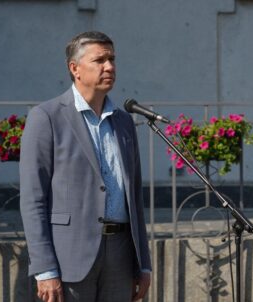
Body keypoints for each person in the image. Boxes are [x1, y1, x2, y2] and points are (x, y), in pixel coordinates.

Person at [20, 31, 151, 302]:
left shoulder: (124, 122)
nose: (110, 67)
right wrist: (45, 269)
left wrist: (143, 263)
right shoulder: (46, 117)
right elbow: (33, 199)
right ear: (75, 69)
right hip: (70, 258)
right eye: (100, 60)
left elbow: (135, 197)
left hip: (121, 254)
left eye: (112, 59)